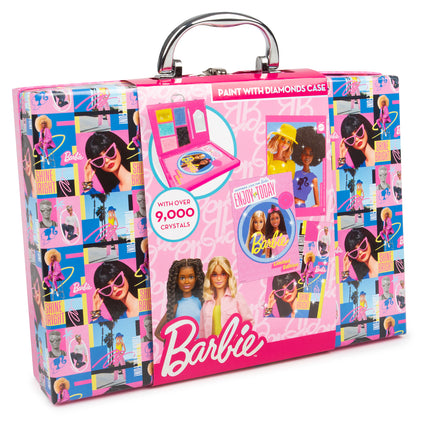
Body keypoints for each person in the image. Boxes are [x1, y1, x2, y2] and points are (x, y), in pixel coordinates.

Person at [199, 257, 253, 338]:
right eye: (214, 275)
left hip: (232, 344)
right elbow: (202, 332)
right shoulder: (207, 304)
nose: (219, 278)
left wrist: (239, 339)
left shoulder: (236, 298)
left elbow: (248, 323)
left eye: (223, 274)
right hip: (211, 345)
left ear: (228, 275)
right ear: (209, 277)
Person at [155, 258, 204, 342]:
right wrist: (173, 344)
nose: (187, 281)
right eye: (182, 278)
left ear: (196, 278)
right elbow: (157, 333)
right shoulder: (175, 306)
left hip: (200, 346)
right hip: (183, 347)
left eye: (191, 277)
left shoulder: (201, 302)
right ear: (176, 280)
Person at [291, 126, 326, 208]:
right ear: (299, 154)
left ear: (315, 156)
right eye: (304, 152)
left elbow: (317, 204)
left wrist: (309, 210)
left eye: (310, 154)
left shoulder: (313, 178)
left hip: (301, 207)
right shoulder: (295, 174)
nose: (307, 156)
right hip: (290, 207)